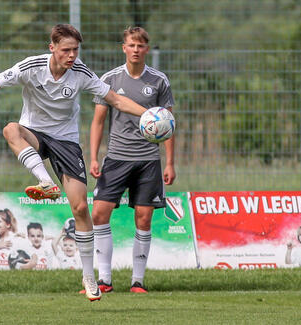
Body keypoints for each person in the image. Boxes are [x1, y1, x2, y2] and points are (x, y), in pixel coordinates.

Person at [0, 24, 147, 301]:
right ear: (52, 48)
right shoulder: (31, 67)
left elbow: (115, 99)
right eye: (66, 50)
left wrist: (149, 114)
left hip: (66, 142)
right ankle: (45, 180)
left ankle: (89, 276)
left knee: (80, 208)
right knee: (11, 129)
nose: (72, 56)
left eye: (75, 50)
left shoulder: (81, 73)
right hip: (35, 133)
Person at [89, 27, 175, 293]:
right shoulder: (110, 79)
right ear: (123, 48)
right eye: (131, 45)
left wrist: (170, 162)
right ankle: (104, 279)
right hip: (116, 158)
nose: (136, 49)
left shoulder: (159, 80)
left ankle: (137, 281)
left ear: (146, 49)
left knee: (143, 218)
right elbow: (98, 121)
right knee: (99, 214)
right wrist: (93, 156)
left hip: (148, 159)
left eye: (140, 45)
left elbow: (168, 124)